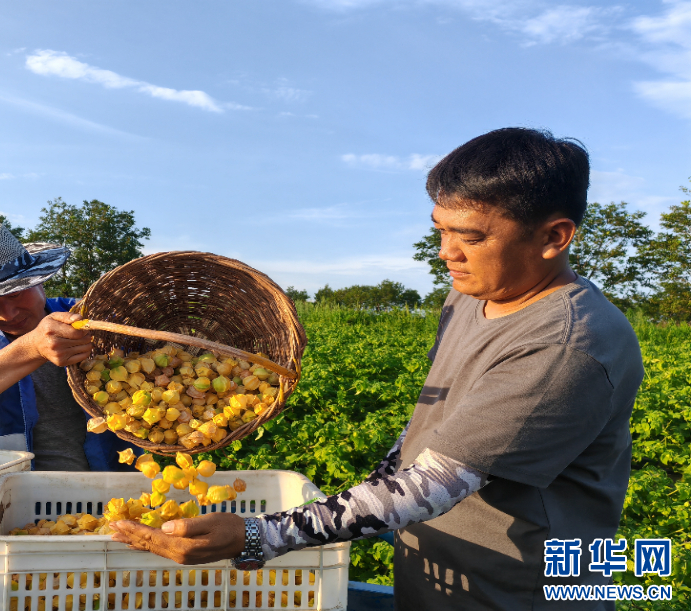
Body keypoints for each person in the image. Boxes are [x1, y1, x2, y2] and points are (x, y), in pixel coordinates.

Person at [109, 128, 645, 610]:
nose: (447, 253)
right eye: (441, 230)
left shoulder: (567, 343)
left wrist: (259, 535)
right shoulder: (470, 295)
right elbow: (429, 430)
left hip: (516, 587)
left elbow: (437, 480)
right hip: (436, 568)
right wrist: (379, 485)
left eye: (472, 237)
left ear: (555, 237)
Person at [0, 223, 138, 471]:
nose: (8, 314)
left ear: (39, 280)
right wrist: (30, 348)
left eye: (15, 294)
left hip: (116, 485)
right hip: (14, 490)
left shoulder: (89, 316)